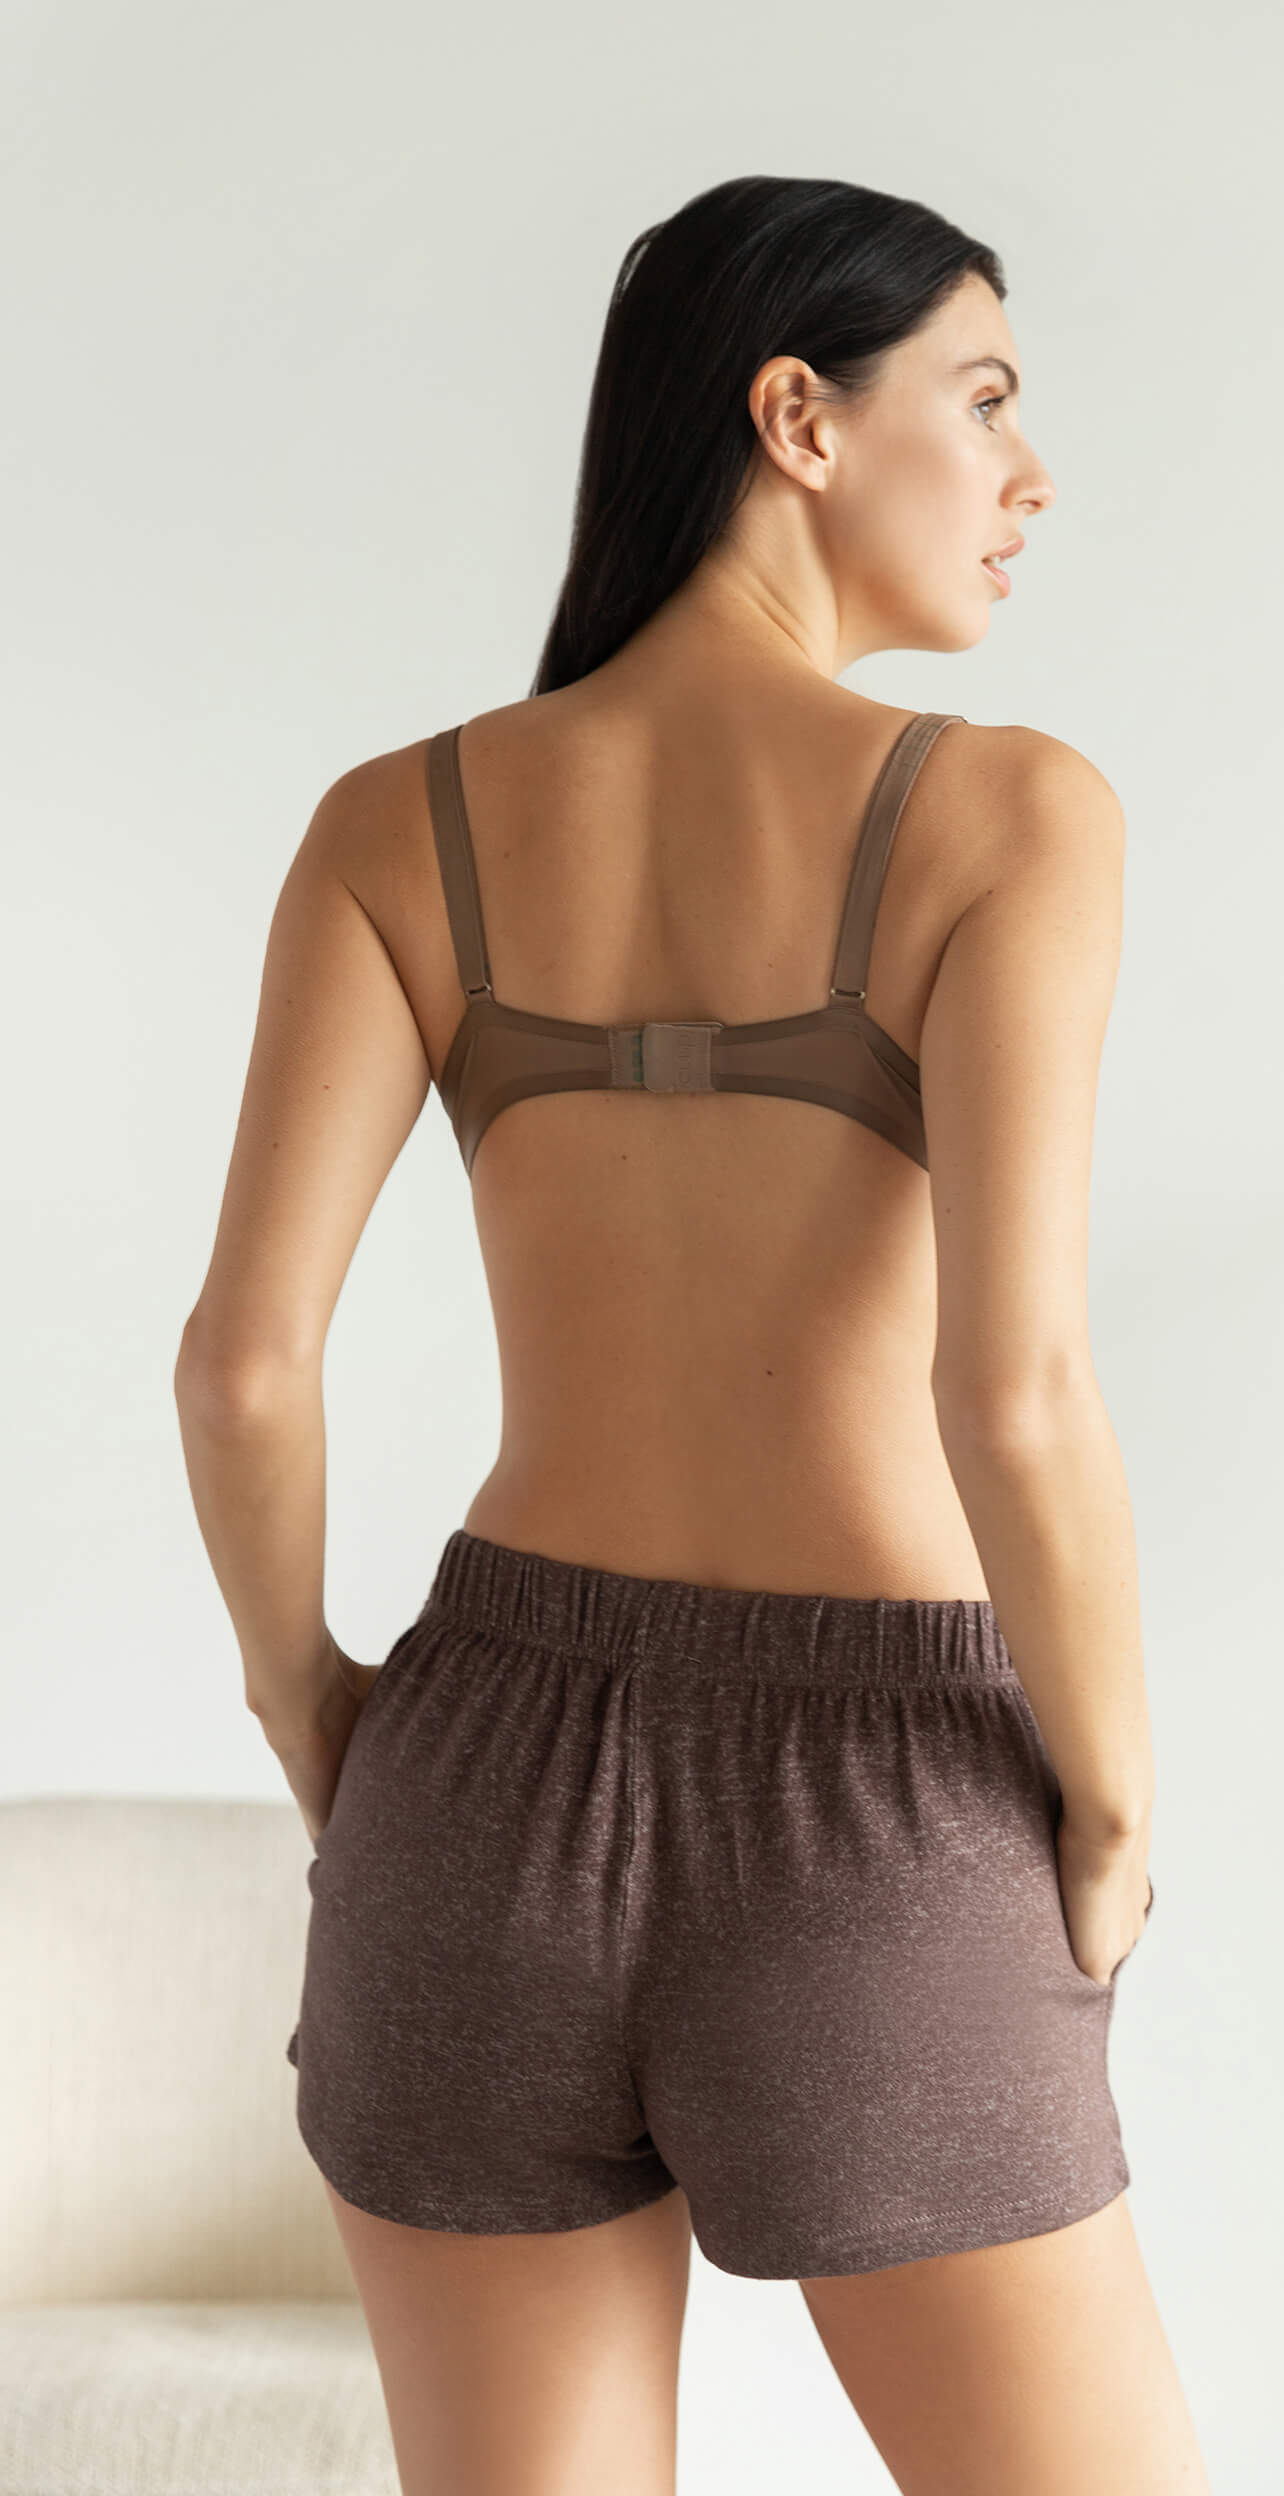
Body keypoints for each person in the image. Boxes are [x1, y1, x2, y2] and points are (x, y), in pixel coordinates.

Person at [174, 173, 1210, 2495]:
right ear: (798, 421)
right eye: (984, 398)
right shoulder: (1005, 815)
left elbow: (241, 1365)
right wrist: (1114, 1802)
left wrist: (313, 1710)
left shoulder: (398, 825)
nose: (1031, 471)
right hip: (878, 1806)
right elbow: (1012, 1392)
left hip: (472, 1787)